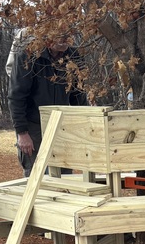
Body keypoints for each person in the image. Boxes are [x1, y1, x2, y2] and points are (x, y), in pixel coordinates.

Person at [8, 35, 88, 176]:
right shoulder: (28, 55)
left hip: (61, 125)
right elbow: (16, 96)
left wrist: (85, 124)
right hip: (33, 126)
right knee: (36, 176)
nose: (65, 39)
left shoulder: (74, 56)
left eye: (69, 34)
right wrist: (22, 133)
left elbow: (78, 95)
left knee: (64, 175)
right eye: (60, 34)